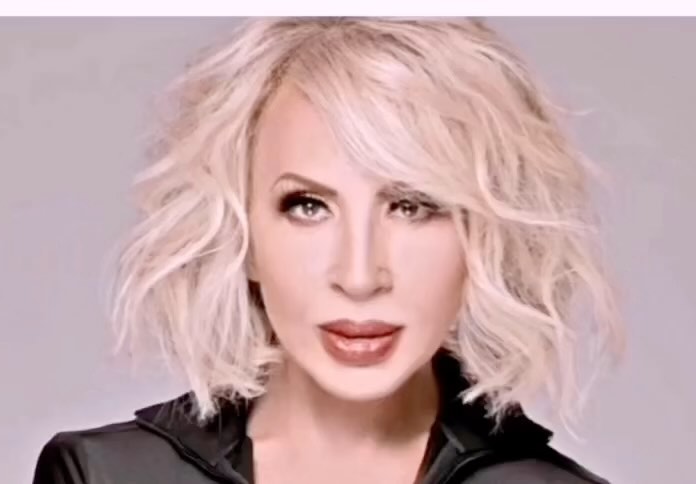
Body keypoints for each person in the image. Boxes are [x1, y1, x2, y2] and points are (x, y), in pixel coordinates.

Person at [33, 18, 623, 484]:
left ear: (481, 239)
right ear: (244, 238)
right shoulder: (105, 475)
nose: (359, 276)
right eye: (308, 206)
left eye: (413, 205)